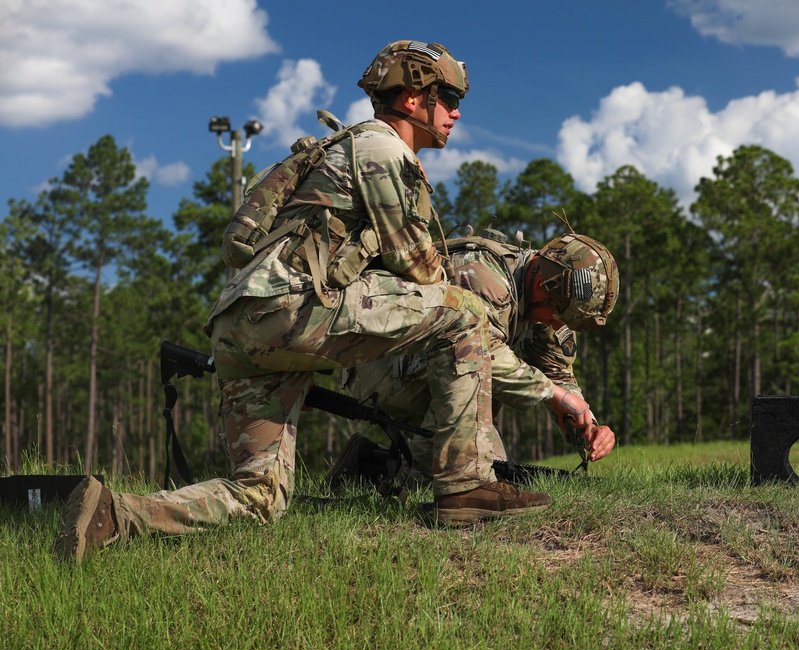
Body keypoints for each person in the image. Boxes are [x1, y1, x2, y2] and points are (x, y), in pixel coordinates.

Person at [55, 40, 593, 562]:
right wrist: (551, 394)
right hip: (293, 308)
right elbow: (425, 272)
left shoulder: (351, 147)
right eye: (449, 100)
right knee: (462, 311)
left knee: (260, 498)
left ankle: (114, 515)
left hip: (246, 324)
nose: (455, 114)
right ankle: (465, 489)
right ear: (412, 98)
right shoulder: (384, 149)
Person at [328, 228, 619, 490]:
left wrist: (587, 425)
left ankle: (371, 464)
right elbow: (478, 352)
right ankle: (419, 478)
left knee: (492, 468)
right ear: (543, 281)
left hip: (423, 368)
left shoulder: (549, 300)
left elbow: (558, 373)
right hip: (384, 363)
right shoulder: (484, 276)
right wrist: (553, 395)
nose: (556, 325)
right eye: (556, 313)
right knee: (477, 472)